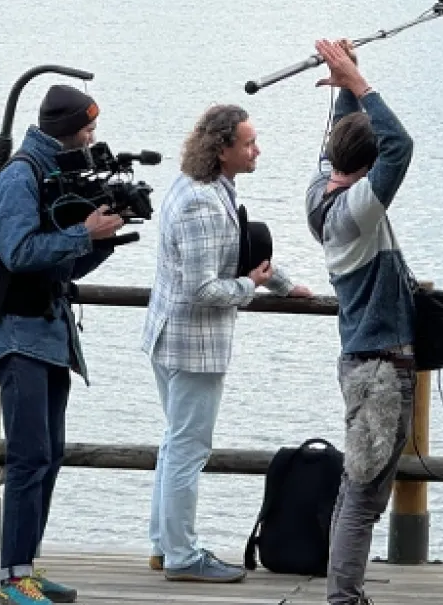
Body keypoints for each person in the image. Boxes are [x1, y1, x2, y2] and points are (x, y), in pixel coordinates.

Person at [140, 103, 312, 583]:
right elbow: (204, 289)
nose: (258, 150)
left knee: (175, 443)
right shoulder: (202, 203)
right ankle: (182, 555)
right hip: (191, 345)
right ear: (222, 149)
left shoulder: (199, 186)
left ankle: (164, 545)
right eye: (249, 143)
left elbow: (238, 252)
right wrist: (250, 288)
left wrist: (283, 284)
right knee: (188, 449)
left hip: (170, 336)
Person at [0, 84, 126, 605]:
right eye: (87, 128)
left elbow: (62, 268)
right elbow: (17, 252)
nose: (91, 137)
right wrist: (83, 233)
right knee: (28, 457)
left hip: (49, 336)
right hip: (17, 337)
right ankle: (10, 578)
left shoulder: (54, 174)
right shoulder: (19, 176)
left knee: (49, 455)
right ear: (65, 130)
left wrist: (103, 238)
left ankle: (26, 569)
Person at [304, 38, 416, 605]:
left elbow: (341, 146)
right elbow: (400, 146)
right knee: (365, 495)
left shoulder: (319, 195)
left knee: (358, 486)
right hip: (380, 370)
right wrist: (360, 85)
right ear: (369, 171)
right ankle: (344, 598)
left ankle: (344, 593)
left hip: (363, 362)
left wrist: (346, 87)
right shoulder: (358, 211)